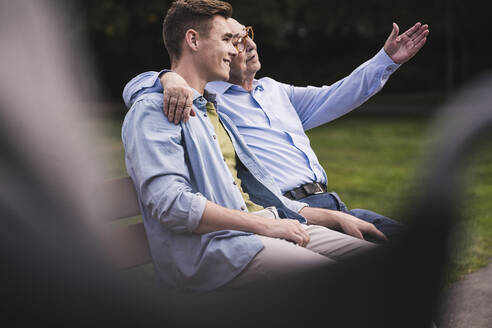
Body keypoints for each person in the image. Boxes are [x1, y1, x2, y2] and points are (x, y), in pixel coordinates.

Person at [122, 0, 383, 293]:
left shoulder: (215, 112)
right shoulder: (155, 109)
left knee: (384, 266)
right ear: (193, 39)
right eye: (227, 40)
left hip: (260, 228)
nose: (235, 51)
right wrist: (266, 227)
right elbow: (173, 206)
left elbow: (258, 197)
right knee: (351, 285)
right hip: (218, 252)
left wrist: (334, 217)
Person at [123, 16, 429, 241]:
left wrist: (386, 60)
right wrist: (167, 77)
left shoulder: (275, 91)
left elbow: (338, 94)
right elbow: (143, 87)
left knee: (412, 244)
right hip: (285, 209)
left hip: (331, 202)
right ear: (222, 51)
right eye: (237, 41)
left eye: (248, 35)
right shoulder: (209, 100)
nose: (250, 45)